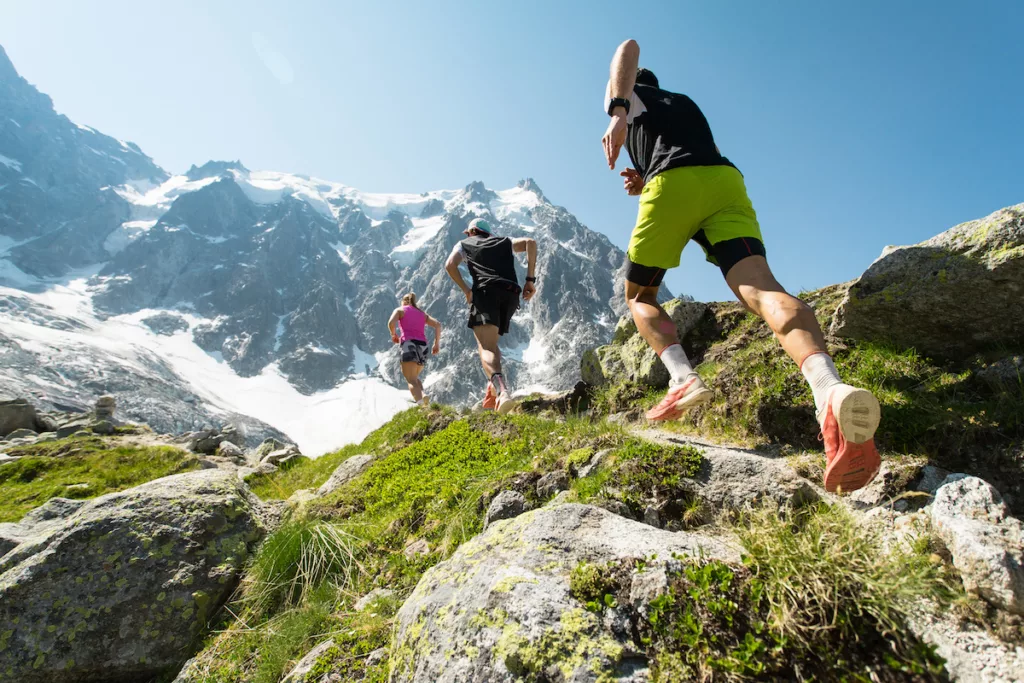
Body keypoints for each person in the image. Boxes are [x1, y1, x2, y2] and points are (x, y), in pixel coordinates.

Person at [600, 39, 881, 493]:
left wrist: (616, 109)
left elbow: (625, 49)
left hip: (674, 187)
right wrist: (644, 176)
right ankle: (829, 389)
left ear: (632, 88)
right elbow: (676, 151)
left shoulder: (629, 96)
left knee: (639, 296)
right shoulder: (682, 103)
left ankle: (682, 379)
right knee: (762, 289)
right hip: (724, 182)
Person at [445, 217, 537, 414]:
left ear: (471, 232)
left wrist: (466, 290)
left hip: (486, 292)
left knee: (485, 346)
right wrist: (530, 280)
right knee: (491, 344)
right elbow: (530, 242)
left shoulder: (464, 244)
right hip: (511, 294)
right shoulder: (503, 241)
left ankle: (503, 391)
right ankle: (492, 389)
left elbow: (450, 266)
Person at [387, 292, 441, 407]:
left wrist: (393, 334)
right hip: (423, 346)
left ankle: (421, 403)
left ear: (404, 301)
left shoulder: (400, 310)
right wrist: (436, 343)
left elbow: (391, 323)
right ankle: (423, 396)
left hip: (409, 343)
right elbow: (437, 324)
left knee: (410, 380)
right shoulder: (422, 314)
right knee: (415, 378)